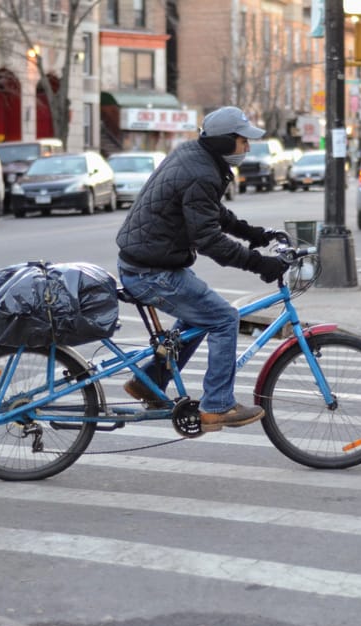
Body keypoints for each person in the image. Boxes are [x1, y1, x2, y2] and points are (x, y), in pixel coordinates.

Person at [115, 106, 288, 432]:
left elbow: (212, 212)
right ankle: (218, 406)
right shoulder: (202, 172)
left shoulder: (195, 157)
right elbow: (207, 238)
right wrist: (259, 264)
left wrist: (254, 234)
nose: (247, 147)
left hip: (148, 262)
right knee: (224, 318)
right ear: (224, 142)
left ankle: (150, 380)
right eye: (242, 140)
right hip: (151, 272)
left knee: (200, 314)